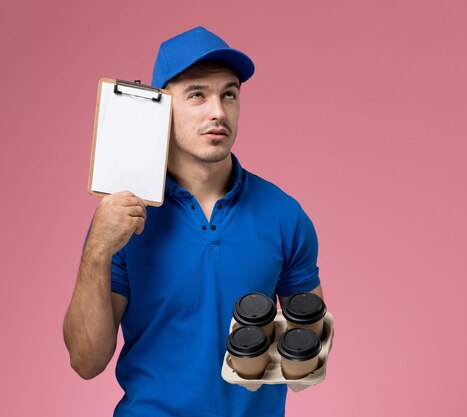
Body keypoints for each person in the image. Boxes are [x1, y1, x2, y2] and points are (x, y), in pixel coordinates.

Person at [63, 26, 324, 417]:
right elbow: (86, 362)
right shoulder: (122, 218)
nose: (218, 111)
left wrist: (291, 357)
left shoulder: (284, 215)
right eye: (197, 95)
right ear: (161, 107)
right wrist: (97, 248)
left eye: (229, 94)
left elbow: (309, 347)